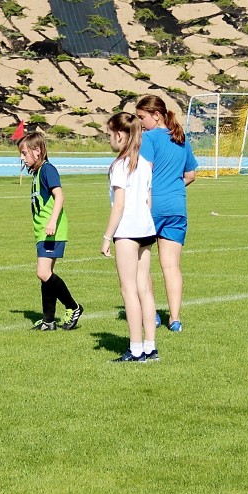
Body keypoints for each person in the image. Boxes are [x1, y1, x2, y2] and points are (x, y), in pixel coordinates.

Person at [134, 95, 197, 332]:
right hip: (177, 207)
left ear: (156, 115)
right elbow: (190, 175)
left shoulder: (148, 139)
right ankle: (175, 318)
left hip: (152, 208)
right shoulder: (181, 139)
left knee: (143, 264)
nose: (140, 123)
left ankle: (152, 313)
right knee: (171, 266)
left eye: (142, 117)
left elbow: (144, 172)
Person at [101, 112, 158, 362]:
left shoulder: (120, 166)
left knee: (129, 291)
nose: (109, 139)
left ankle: (135, 349)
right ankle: (150, 347)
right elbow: (148, 200)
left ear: (120, 135)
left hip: (127, 232)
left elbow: (119, 205)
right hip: (146, 230)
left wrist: (107, 236)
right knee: (144, 289)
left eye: (110, 134)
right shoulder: (145, 164)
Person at [18, 132, 83, 331]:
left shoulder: (48, 170)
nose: (22, 157)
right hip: (43, 231)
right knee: (46, 275)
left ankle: (73, 307)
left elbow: (60, 196)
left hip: (51, 230)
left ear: (37, 151)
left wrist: (53, 221)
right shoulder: (38, 172)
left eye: (24, 153)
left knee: (43, 272)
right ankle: (48, 321)